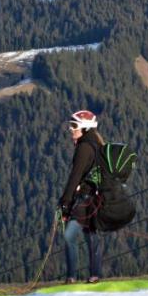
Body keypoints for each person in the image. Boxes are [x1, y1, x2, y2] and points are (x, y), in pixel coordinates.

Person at [58, 109, 105, 284]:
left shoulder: (84, 148)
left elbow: (75, 176)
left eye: (74, 126)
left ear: (85, 128)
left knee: (70, 236)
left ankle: (71, 277)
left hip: (84, 198)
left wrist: (65, 203)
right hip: (96, 198)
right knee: (91, 236)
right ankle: (95, 275)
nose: (71, 129)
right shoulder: (97, 145)